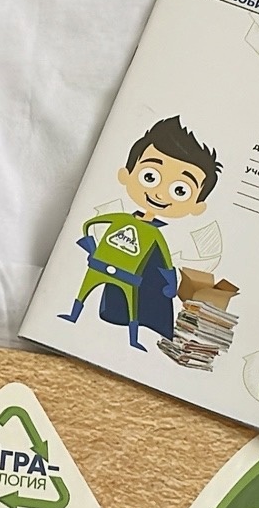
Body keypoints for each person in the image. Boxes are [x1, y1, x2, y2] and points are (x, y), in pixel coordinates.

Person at [59, 117, 220, 349]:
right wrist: (91, 247)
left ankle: (134, 338)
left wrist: (170, 283)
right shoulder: (121, 219)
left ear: (197, 205)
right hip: (106, 267)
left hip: (134, 275)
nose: (160, 194)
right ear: (126, 174)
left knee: (135, 306)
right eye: (150, 177)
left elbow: (165, 259)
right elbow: (90, 224)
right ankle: (78, 317)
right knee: (93, 295)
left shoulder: (154, 234)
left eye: (180, 190)